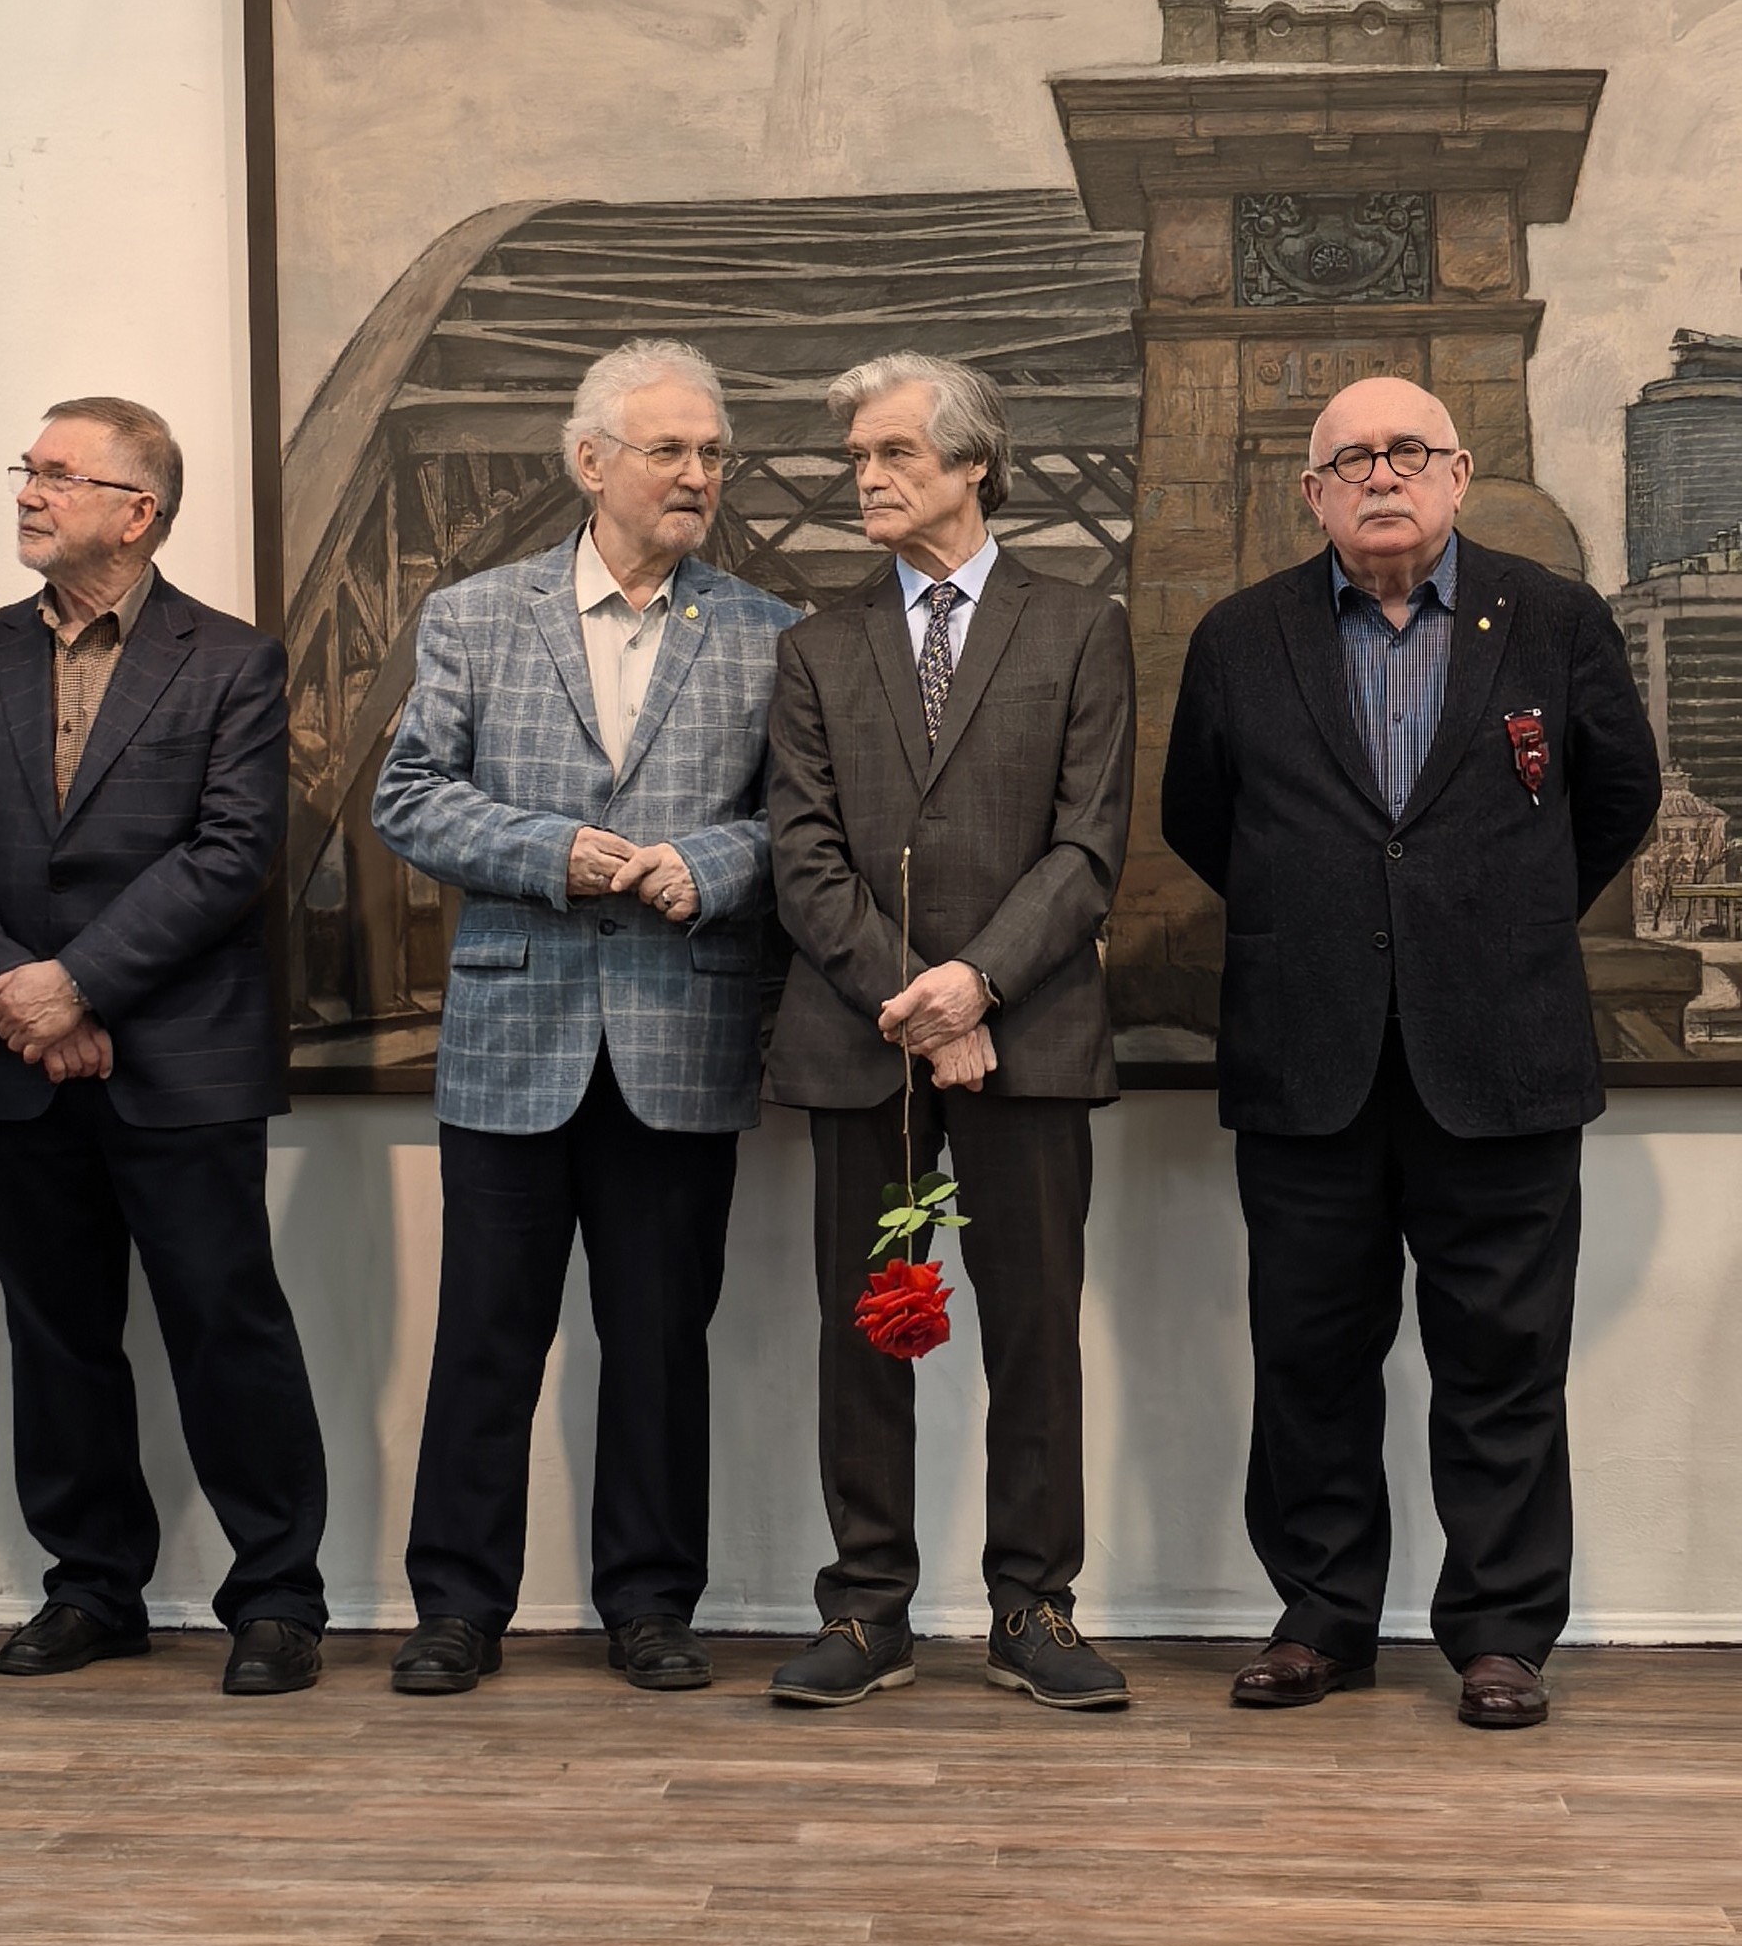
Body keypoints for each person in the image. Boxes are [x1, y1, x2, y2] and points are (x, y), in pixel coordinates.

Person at [1162, 376, 1661, 1730]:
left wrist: (1494, 920)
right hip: (1305, 1056)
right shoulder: (1239, 636)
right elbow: (1203, 816)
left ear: (1456, 476)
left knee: (1503, 1361)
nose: (1380, 476)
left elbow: (1615, 796)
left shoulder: (1554, 619)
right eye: (1351, 460)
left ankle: (1500, 1634)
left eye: (1408, 452)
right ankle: (1322, 1618)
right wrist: (1331, 920)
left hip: (1500, 1053)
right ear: (1311, 492)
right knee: (1309, 1357)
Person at [371, 340, 798, 1697]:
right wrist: (551, 851)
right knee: (485, 1341)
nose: (697, 475)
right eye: (668, 450)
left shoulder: (770, 631)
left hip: (681, 1039)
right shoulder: (473, 615)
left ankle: (652, 1607)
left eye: (713, 454)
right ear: (590, 462)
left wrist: (710, 867)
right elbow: (408, 797)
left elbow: (801, 825)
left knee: (661, 1344)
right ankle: (456, 1610)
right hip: (513, 1038)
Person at [0, 397, 327, 1695]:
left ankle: (278, 1599)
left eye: (58, 474)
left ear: (137, 512)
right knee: (56, 1335)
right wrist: (23, 997)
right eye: (26, 470)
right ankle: (92, 1588)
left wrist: (80, 986)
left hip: (179, 1058)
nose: (27, 492)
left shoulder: (235, 662)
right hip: (10, 1053)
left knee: (227, 1329)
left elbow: (232, 855)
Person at [763, 353, 1135, 1710]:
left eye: (894, 454)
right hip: (866, 1047)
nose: (865, 478)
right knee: (872, 1324)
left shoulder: (1081, 628)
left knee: (1033, 1332)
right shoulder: (815, 646)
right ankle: (868, 1611)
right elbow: (803, 857)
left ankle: (1033, 1610)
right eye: (857, 458)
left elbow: (1088, 848)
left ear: (974, 464)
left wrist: (979, 985)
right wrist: (923, 1009)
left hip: (1028, 1040)